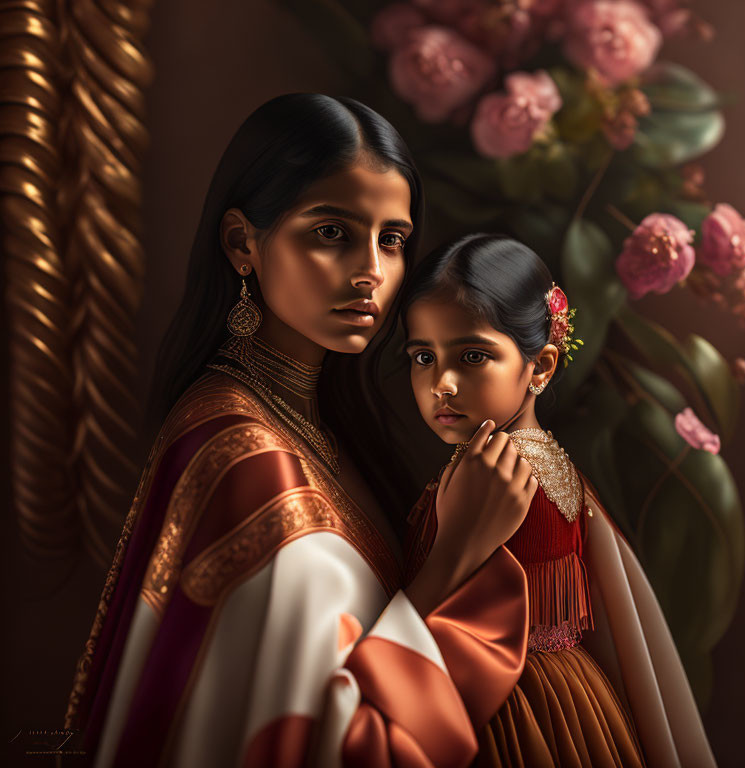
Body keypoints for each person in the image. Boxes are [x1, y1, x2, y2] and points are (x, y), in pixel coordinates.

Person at [63, 95, 539, 768]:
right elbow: (320, 742)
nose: (372, 271)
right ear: (242, 244)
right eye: (332, 233)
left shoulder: (322, 423)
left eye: (392, 240)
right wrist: (456, 556)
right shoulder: (240, 455)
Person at [400, 233, 718, 768]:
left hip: (498, 703)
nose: (441, 384)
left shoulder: (492, 471)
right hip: (575, 697)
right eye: (422, 356)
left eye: (472, 356)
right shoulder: (552, 459)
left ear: (541, 367)